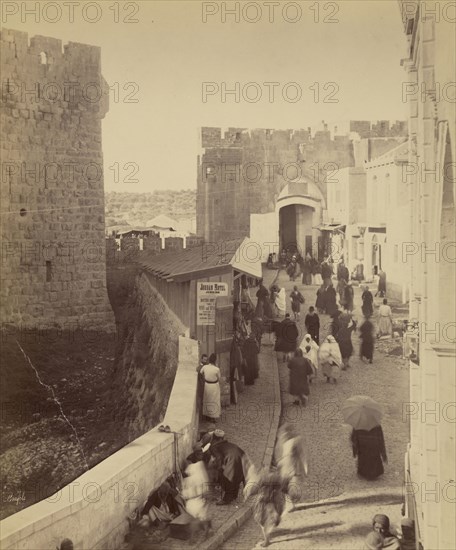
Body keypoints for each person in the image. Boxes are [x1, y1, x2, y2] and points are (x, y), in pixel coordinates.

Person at [207, 434, 254, 505]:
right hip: (241, 456)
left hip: (233, 460)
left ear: (213, 439)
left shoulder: (213, 447)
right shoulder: (226, 444)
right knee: (237, 476)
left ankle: (226, 500)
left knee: (228, 478)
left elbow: (219, 458)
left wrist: (219, 468)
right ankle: (234, 495)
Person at [275, 423, 308, 512]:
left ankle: (291, 504)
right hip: (284, 468)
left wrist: (305, 467)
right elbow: (280, 455)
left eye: (286, 433)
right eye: (283, 434)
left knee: (293, 487)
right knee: (284, 487)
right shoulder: (281, 442)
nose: (284, 435)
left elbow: (302, 455)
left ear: (290, 432)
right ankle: (289, 505)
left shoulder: (297, 441)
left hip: (294, 467)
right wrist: (279, 464)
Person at [182, 460, 212, 541]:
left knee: (195, 520)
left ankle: (193, 537)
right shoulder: (200, 477)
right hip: (200, 501)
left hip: (192, 503)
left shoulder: (187, 481)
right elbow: (205, 490)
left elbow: (185, 494)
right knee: (202, 518)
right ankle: (206, 531)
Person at [199, 353, 221, 423]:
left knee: (207, 400)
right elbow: (219, 378)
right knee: (214, 401)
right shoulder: (216, 369)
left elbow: (200, 372)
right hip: (214, 386)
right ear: (215, 361)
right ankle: (213, 417)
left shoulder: (205, 367)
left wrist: (205, 377)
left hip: (207, 385)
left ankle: (207, 415)